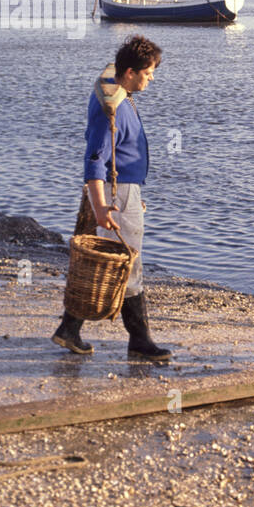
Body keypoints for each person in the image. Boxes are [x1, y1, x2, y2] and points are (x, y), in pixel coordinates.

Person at [52, 34, 172, 362]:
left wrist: (129, 196)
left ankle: (69, 329)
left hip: (125, 191)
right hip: (117, 194)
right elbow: (94, 159)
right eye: (148, 73)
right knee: (128, 265)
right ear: (130, 72)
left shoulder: (115, 89)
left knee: (108, 264)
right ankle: (140, 341)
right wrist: (102, 205)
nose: (152, 79)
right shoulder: (111, 108)